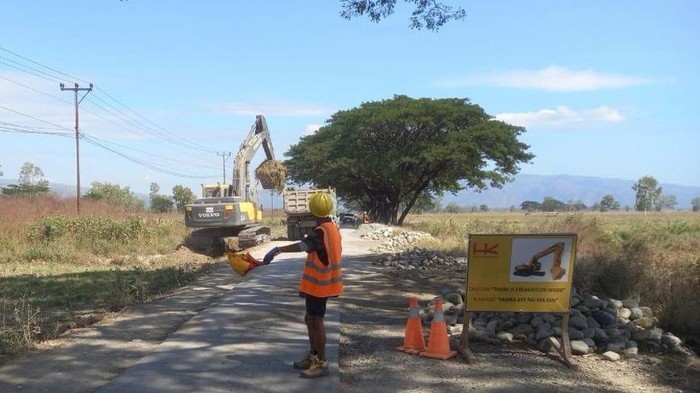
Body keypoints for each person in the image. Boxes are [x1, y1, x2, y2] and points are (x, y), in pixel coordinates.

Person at [262, 192, 343, 378]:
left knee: (316, 320)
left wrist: (278, 249)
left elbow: (302, 246)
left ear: (312, 210)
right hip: (321, 284)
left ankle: (321, 363)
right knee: (310, 319)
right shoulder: (331, 228)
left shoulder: (320, 232)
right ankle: (313, 356)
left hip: (320, 285)